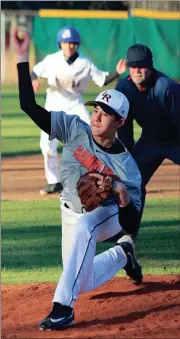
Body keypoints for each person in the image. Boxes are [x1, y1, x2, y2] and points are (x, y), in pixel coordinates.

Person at [14, 30, 143, 331]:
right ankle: (123, 254)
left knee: (88, 226)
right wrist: (22, 59)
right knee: (80, 279)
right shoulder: (75, 128)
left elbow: (131, 222)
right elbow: (28, 107)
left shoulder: (127, 166)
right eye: (96, 109)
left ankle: (63, 308)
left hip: (106, 215)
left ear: (120, 123)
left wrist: (121, 193)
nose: (97, 117)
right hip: (69, 210)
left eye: (106, 114)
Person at [31, 25, 126, 195]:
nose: (69, 46)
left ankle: (97, 175)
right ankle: (53, 181)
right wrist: (34, 80)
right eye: (65, 43)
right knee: (46, 143)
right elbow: (34, 71)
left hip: (75, 102)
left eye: (73, 43)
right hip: (54, 102)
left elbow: (102, 80)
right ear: (59, 44)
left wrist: (117, 72)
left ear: (77, 45)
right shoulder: (51, 59)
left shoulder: (85, 62)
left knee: (92, 135)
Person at [115, 44, 180, 238]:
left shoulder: (167, 88)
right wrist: (126, 159)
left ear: (150, 66)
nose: (137, 71)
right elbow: (124, 127)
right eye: (133, 66)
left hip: (177, 140)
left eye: (141, 66)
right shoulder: (124, 88)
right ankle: (128, 235)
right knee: (132, 182)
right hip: (150, 141)